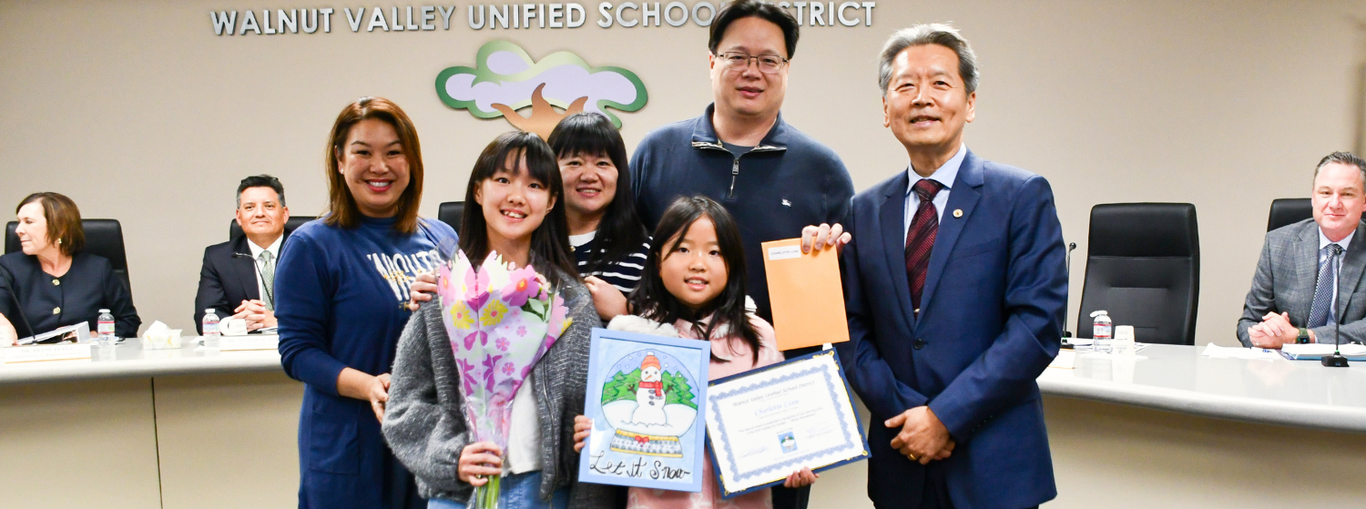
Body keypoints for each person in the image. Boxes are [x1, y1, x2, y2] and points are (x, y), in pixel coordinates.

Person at [836, 24, 1066, 509]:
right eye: (905, 86)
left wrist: (944, 418)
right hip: (901, 458)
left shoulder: (1020, 196)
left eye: (940, 83)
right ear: (886, 110)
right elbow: (852, 329)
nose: (922, 99)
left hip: (994, 465)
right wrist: (908, 415)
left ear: (971, 103)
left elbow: (1035, 327)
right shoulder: (864, 209)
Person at [383, 131, 615, 509]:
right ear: (478, 191)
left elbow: (598, 407)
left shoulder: (570, 299)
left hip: (547, 494)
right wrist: (450, 455)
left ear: (552, 201)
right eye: (503, 180)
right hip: (461, 495)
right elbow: (404, 405)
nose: (517, 196)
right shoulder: (444, 291)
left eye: (535, 184)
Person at [571, 195, 816, 509]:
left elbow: (784, 428)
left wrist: (797, 459)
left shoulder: (759, 337)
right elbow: (613, 435)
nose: (698, 263)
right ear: (658, 261)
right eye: (683, 249)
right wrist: (597, 432)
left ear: (732, 264)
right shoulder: (630, 336)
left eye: (714, 251)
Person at [275, 97, 457, 509]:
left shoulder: (442, 238)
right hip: (349, 444)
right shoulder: (312, 246)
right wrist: (369, 385)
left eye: (394, 152)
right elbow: (298, 352)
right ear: (340, 160)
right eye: (363, 152)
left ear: (411, 162)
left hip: (426, 441)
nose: (380, 166)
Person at [629, 0, 855, 325]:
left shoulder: (823, 169)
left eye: (768, 60)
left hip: (778, 366)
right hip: (666, 363)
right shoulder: (656, 152)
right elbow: (625, 256)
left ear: (786, 69)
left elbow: (849, 290)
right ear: (711, 62)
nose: (752, 72)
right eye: (736, 57)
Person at [1238, 152, 1366, 348]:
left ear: (1364, 201)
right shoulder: (1279, 244)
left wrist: (1302, 336)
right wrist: (1263, 336)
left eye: (1347, 194)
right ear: (1313, 197)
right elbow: (1250, 321)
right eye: (1325, 193)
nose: (1334, 204)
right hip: (1286, 371)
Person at [546, 112, 651, 319]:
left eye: (602, 163)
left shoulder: (645, 255)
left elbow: (665, 344)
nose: (589, 176)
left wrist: (623, 314)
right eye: (575, 162)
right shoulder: (527, 246)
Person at [0, 192, 140, 344]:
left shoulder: (97, 268)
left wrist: (94, 336)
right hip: (30, 364)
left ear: (60, 227)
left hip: (89, 364)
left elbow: (128, 321)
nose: (19, 230)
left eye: (28, 222)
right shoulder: (9, 266)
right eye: (19, 221)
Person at [194, 174, 290, 334]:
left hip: (302, 346)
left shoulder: (310, 252)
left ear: (285, 214)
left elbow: (329, 311)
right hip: (243, 352)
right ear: (239, 217)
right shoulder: (218, 258)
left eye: (269, 206)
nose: (259, 213)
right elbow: (205, 316)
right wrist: (237, 324)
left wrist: (278, 320)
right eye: (250, 207)